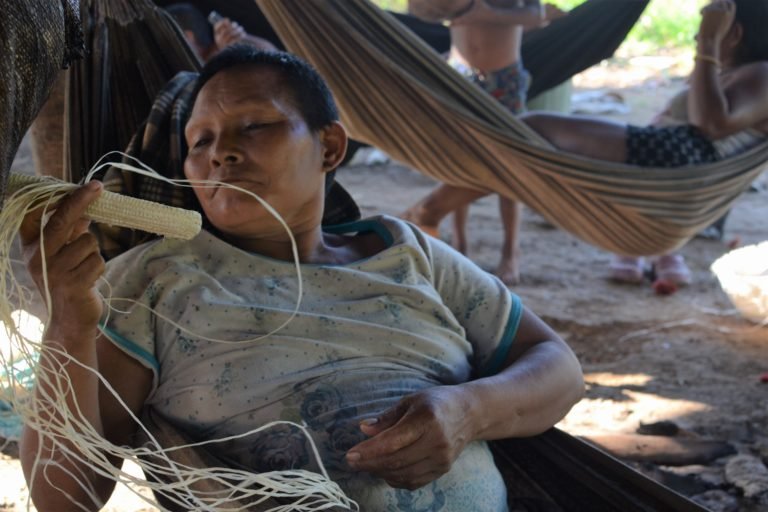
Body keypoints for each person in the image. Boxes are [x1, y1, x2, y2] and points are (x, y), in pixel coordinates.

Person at [19, 46, 584, 510]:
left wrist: (468, 412)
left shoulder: (406, 252)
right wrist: (67, 324)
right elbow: (66, 498)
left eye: (255, 126)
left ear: (330, 146)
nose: (221, 155)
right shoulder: (154, 277)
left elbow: (558, 368)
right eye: (200, 142)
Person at [404, 0, 768, 286]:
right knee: (526, 142)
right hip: (669, 157)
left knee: (531, 132)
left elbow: (711, 123)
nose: (695, 36)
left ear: (734, 33)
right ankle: (429, 213)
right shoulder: (737, 72)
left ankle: (427, 213)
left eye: (710, 25)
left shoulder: (762, 73)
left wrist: (707, 45)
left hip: (675, 160)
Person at [403, 0, 545, 286]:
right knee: (459, 164)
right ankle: (460, 245)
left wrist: (490, 14)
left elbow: (536, 16)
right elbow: (418, 10)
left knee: (509, 166)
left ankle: (510, 252)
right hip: (459, 78)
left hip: (503, 79)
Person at [165, 2, 276, 62]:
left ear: (188, 37)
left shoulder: (225, 51)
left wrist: (242, 39)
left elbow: (274, 56)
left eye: (169, 41)